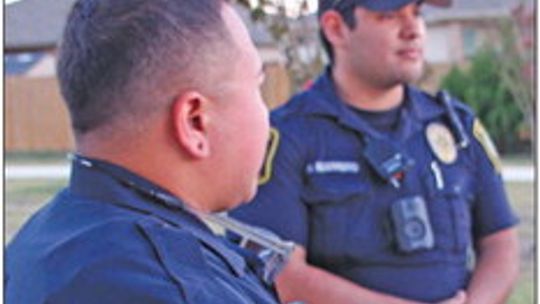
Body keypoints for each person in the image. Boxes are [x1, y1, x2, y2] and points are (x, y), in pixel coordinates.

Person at [230, 0, 520, 303]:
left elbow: (500, 242)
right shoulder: (287, 137)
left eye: (417, 13)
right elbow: (279, 273)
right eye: (390, 16)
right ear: (336, 28)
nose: (413, 30)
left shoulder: (457, 128)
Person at [5, 0, 279, 303]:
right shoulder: (177, 288)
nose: (266, 114)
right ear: (195, 121)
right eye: (258, 87)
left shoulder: (42, 236)